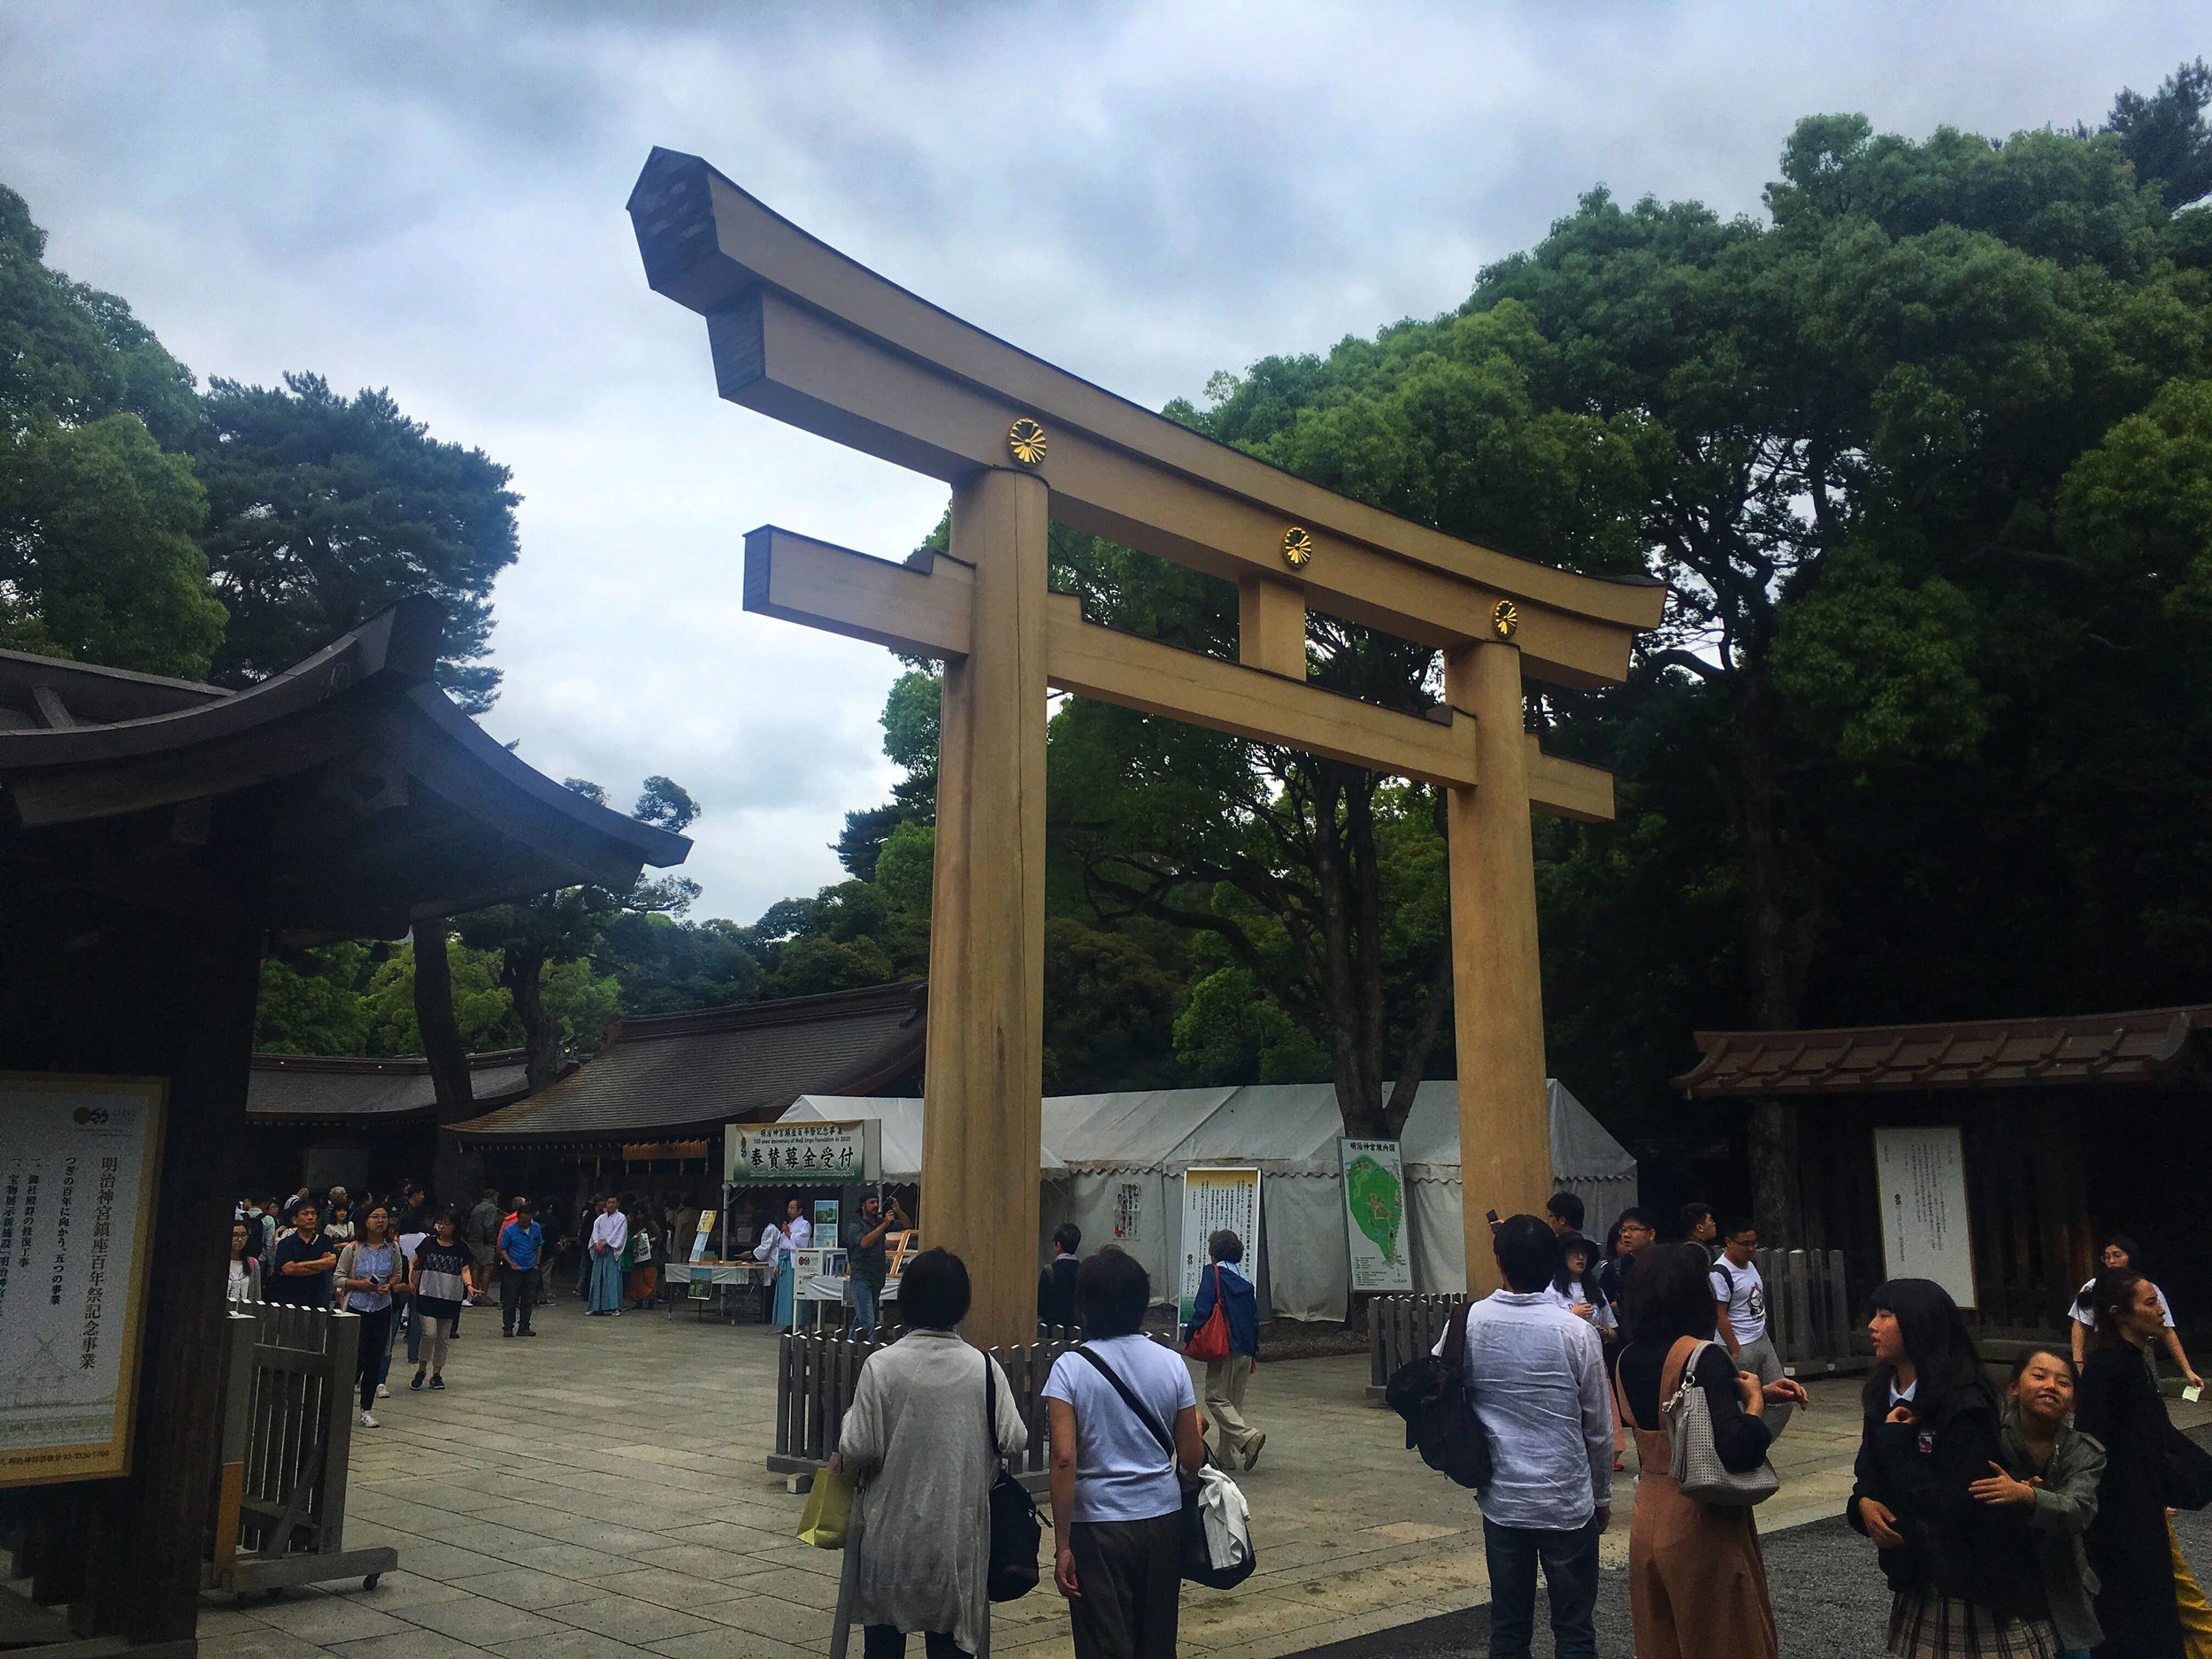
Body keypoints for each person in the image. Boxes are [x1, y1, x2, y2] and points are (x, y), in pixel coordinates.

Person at [1423, 1215, 1610, 1659]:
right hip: (1565, 1498)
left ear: (1499, 1261)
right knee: (1575, 1630)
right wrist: (1601, 1497)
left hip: (1503, 1497)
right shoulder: (1576, 1333)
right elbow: (1599, 1430)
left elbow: (1440, 1380)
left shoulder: (1467, 1321)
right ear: (1554, 1265)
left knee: (1507, 1629)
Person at [1847, 1278, 2056, 1658]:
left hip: (1970, 1577)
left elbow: (1960, 1502)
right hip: (1918, 1567)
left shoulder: (1964, 1404)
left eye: (1885, 1315)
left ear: (1918, 1322)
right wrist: (1862, 1503)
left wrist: (1897, 1446)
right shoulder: (1882, 1393)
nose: (1872, 1327)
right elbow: (1868, 1470)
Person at [833, 1248, 1026, 1659]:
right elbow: (1014, 1438)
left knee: (883, 1644)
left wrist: (852, 1419)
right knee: (951, 1647)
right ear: (962, 1304)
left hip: (890, 1538)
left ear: (906, 1301)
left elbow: (858, 1447)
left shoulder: (881, 1366)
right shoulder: (984, 1368)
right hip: (956, 1541)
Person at [1617, 1241, 1802, 1659]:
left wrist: (1756, 1394)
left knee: (1663, 1639)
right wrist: (1755, 1401)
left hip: (1648, 1511)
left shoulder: (1626, 1357)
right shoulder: (1703, 1356)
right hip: (1699, 1513)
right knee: (1723, 1637)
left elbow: (1683, 1413)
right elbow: (1738, 1449)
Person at [1044, 1248, 1204, 1659]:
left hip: (1098, 1525)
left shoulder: (1070, 1368)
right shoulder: (1172, 1363)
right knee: (1156, 1638)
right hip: (1163, 1520)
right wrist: (1197, 1430)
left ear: (1084, 1306)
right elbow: (1191, 1458)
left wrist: (1063, 1545)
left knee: (1104, 1642)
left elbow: (1064, 1457)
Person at [2077, 1268, 2186, 1658]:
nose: (2160, 1311)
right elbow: (2093, 1445)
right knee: (2132, 1615)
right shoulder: (2107, 1370)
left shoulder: (2129, 1362)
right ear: (2120, 1313)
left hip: (2139, 1502)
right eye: (2150, 1302)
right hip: (2118, 1513)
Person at [1970, 1346, 2104, 1659]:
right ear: (2014, 1386)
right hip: (2000, 1576)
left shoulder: (2086, 1452)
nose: (2050, 1387)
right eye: (2040, 1376)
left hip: (2062, 1578)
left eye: (2063, 1382)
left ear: (2074, 1401)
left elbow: (2078, 1510)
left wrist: (2027, 1496)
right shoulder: (1989, 1436)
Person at [2070, 1236, 2201, 1389]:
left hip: (2142, 1350)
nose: (2111, 1261)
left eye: (2117, 1255)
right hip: (2106, 1347)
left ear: (2130, 1257)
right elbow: (2080, 1324)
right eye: (2107, 1257)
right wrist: (2078, 1361)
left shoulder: (2147, 1287)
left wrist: (2187, 1370)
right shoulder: (2094, 1287)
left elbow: (2166, 1330)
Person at [1186, 1227, 1264, 1471]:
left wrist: (1191, 1335)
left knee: (1216, 1397)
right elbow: (1253, 1318)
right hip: (1245, 1348)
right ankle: (1225, 1456)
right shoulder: (1246, 1280)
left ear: (1213, 1253)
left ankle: (1247, 1437)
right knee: (1233, 1403)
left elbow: (1203, 1307)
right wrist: (1254, 1351)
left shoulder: (1214, 1273)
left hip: (1223, 1346)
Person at [1711, 1218, 1793, 1435]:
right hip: (1738, 1344)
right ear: (1729, 1242)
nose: (1750, 1249)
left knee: (1782, 1398)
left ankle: (1759, 1442)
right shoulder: (1720, 1272)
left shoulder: (1751, 1264)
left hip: (1760, 1336)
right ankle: (1740, 1446)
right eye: (1744, 1243)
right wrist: (1735, 1349)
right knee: (1741, 1402)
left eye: (1754, 1243)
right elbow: (1719, 1314)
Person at [336, 1203, 402, 1428]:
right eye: (375, 1216)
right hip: (357, 1306)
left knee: (375, 1359)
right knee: (356, 1358)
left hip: (382, 1307)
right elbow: (339, 1278)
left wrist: (389, 1286)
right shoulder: (353, 1249)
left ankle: (366, 1409)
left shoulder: (392, 1248)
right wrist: (361, 1285)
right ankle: (341, 1406)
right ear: (366, 1221)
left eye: (384, 1217)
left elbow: (397, 1274)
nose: (380, 1221)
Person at [408, 1207, 473, 1391]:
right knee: (429, 1333)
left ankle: (437, 1373)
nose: (443, 1226)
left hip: (450, 1296)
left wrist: (469, 1286)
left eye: (448, 1223)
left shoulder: (461, 1247)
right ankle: (421, 1368)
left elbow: (465, 1269)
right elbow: (415, 1262)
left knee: (443, 1338)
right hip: (428, 1293)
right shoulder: (427, 1243)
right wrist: (412, 1280)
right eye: (441, 1222)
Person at [847, 1194, 902, 1337]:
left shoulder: (879, 1221)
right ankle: (867, 1351)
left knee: (862, 1318)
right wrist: (884, 1225)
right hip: (861, 1276)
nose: (876, 1205)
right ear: (863, 1206)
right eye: (871, 1202)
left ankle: (850, 1345)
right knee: (867, 1320)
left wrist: (898, 1211)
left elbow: (907, 1225)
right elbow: (864, 1243)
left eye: (877, 1202)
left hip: (877, 1276)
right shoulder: (855, 1223)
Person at [264, 1199, 337, 1307]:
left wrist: (300, 1265)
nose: (310, 1217)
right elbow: (289, 1269)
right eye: (305, 1214)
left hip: (318, 1299)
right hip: (290, 1300)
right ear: (295, 1220)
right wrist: (319, 1265)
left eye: (313, 1213)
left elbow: (331, 1262)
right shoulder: (286, 1243)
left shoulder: (325, 1240)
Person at [1549, 1234, 1615, 1337]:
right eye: (1574, 1252)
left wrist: (1605, 1333)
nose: (1580, 1257)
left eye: (1584, 1253)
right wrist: (1572, 1314)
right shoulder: (1551, 1290)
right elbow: (1547, 1327)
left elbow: (1613, 1331)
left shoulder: (1596, 1290)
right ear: (1563, 1257)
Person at [498, 1199, 543, 1337]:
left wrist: (537, 1263)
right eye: (523, 1221)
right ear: (518, 1218)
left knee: (527, 1300)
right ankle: (508, 1327)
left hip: (530, 1268)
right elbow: (502, 1248)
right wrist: (510, 1262)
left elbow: (539, 1245)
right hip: (514, 1269)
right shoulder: (509, 1230)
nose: (526, 1224)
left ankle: (524, 1326)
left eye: (528, 1221)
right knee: (510, 1299)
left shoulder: (536, 1227)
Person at [1598, 1207, 1658, 1310]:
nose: (1626, 1235)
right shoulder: (1615, 1268)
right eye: (1624, 1230)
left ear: (1651, 1234)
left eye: (1633, 1229)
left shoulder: (1667, 1263)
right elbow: (1602, 1305)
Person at [585, 1194, 629, 1316]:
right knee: (597, 1278)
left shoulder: (621, 1218)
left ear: (618, 1204)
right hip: (600, 1251)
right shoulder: (600, 1219)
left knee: (611, 1279)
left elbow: (618, 1234)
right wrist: (597, 1244)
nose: (611, 1205)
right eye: (609, 1202)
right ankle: (596, 1307)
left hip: (611, 1251)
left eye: (614, 1202)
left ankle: (614, 1307)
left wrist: (606, 1244)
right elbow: (595, 1233)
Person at [1038, 1223, 1083, 1331]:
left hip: (1051, 1330)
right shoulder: (1083, 1270)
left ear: (1058, 1245)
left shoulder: (1049, 1271)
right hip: (1078, 1330)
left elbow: (1041, 1305)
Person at [465, 1187, 503, 1306]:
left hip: (473, 1240)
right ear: (493, 1197)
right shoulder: (491, 1208)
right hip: (484, 1242)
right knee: (488, 1267)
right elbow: (488, 1225)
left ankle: (475, 1295)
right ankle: (483, 1295)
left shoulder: (477, 1207)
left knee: (475, 1268)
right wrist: (493, 1239)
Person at [625, 1199, 659, 1310]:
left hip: (649, 1254)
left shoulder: (651, 1223)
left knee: (649, 1278)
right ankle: (638, 1300)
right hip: (637, 1254)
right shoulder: (632, 1223)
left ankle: (650, 1300)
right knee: (637, 1278)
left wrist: (651, 1241)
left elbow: (659, 1235)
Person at [226, 1218, 263, 1304]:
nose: (239, 1239)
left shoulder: (253, 1263)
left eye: (243, 1235)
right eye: (235, 1235)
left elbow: (257, 1295)